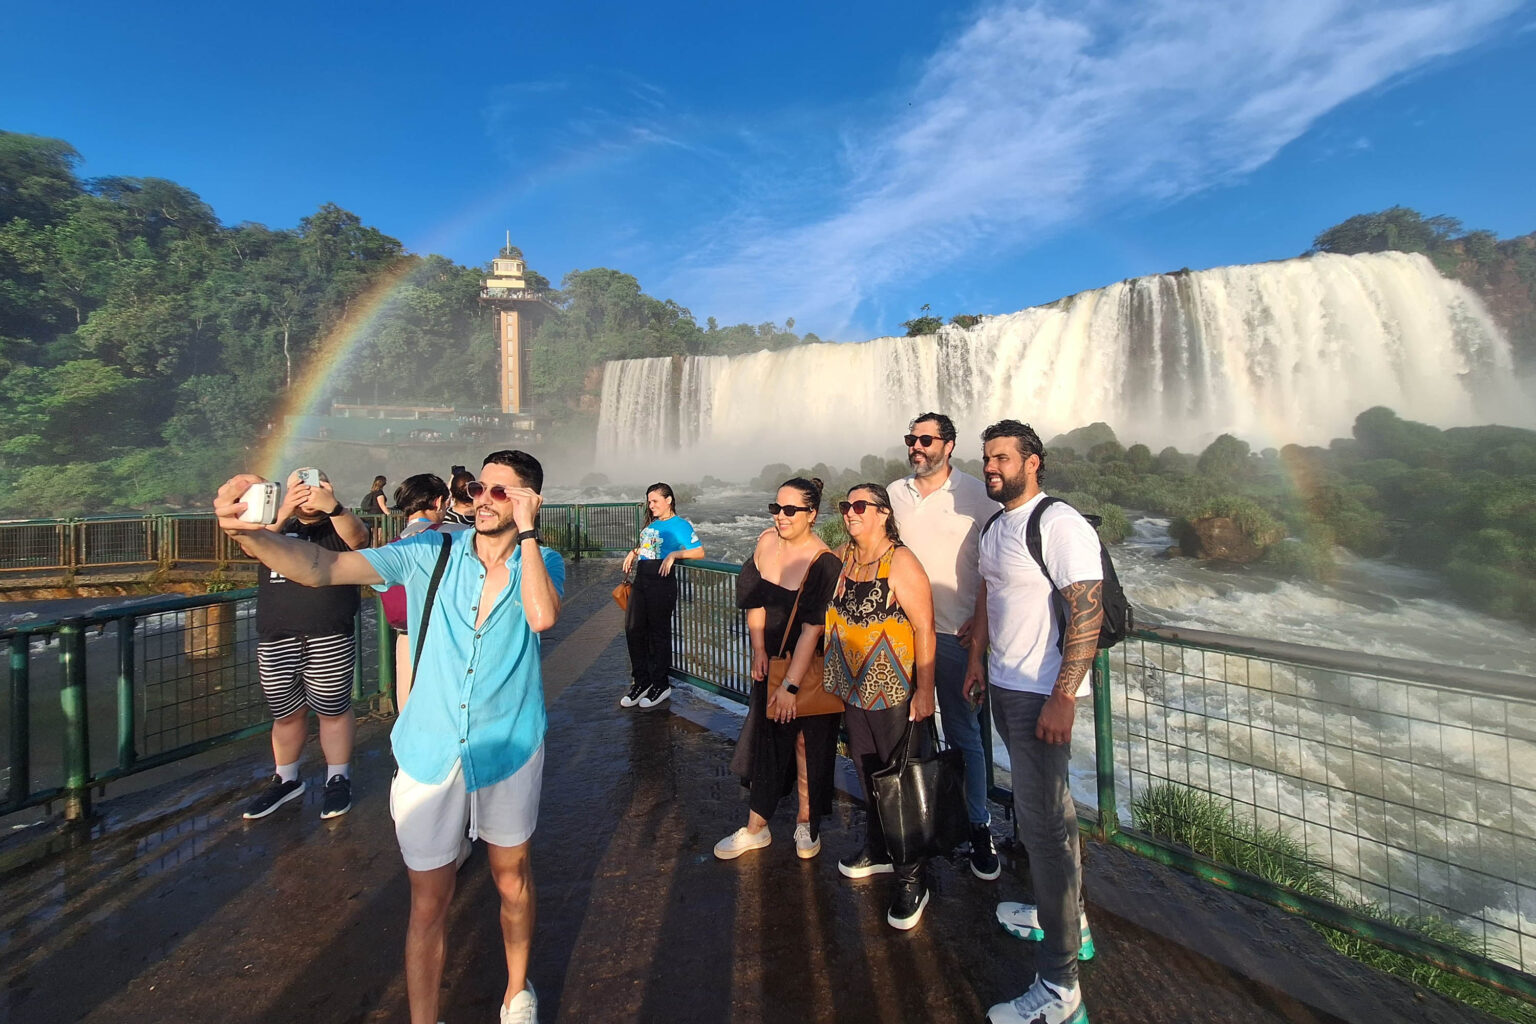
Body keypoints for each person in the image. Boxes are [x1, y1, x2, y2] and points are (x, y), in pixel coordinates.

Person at [214, 449, 564, 1024]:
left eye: (501, 491)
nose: (482, 499)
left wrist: (526, 534)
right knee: (428, 903)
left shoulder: (545, 561)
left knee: (511, 878)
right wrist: (247, 536)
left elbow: (543, 618)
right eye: (478, 487)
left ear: (530, 501)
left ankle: (516, 990)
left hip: (509, 745)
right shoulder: (430, 551)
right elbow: (322, 568)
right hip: (430, 747)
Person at [965, 421, 1102, 1024]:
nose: (991, 466)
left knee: (1044, 833)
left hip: (1042, 696)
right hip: (1004, 685)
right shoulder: (998, 526)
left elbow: (1086, 615)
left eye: (1002, 457)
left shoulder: (1060, 524)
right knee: (1050, 816)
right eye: (986, 457)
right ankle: (1067, 920)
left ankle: (1060, 988)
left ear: (1033, 462)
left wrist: (1064, 696)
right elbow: (991, 600)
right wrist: (976, 662)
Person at [887, 411, 1002, 880]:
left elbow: (995, 569)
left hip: (955, 636)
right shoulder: (896, 494)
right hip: (899, 634)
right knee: (902, 730)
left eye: (927, 440)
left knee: (964, 734)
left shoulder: (979, 496)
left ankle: (978, 825)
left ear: (949, 446)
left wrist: (981, 624)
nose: (917, 446)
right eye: (911, 439)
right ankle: (909, 821)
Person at [823, 483, 937, 931]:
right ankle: (878, 848)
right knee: (869, 774)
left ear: (883, 514)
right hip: (854, 691)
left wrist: (925, 691)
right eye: (844, 506)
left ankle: (913, 878)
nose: (849, 513)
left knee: (900, 782)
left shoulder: (900, 562)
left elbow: (926, 628)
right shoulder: (846, 557)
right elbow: (815, 565)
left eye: (858, 506)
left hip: (893, 692)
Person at [713, 478, 842, 861]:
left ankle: (807, 822)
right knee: (767, 741)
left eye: (790, 510)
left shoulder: (823, 562)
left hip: (807, 665)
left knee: (809, 745)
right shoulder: (766, 542)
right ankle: (757, 827)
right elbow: (755, 599)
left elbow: (812, 629)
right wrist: (757, 649)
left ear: (812, 514)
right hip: (768, 661)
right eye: (776, 508)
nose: (780, 516)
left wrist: (789, 686)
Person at [241, 468, 371, 821]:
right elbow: (250, 543)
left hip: (329, 633)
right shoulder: (273, 527)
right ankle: (286, 779)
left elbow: (360, 540)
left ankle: (337, 776)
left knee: (333, 709)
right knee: (285, 715)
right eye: (299, 486)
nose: (307, 493)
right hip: (276, 635)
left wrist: (334, 507)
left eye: (315, 485)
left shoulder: (338, 524)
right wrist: (283, 511)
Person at [384, 473, 471, 710]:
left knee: (410, 708)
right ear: (437, 502)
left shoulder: (394, 543)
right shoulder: (459, 533)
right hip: (449, 633)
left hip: (406, 635)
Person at [618, 483, 705, 709]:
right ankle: (642, 681)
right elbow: (650, 547)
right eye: (649, 501)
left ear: (669, 500)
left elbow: (699, 551)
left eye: (655, 501)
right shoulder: (654, 524)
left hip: (661, 582)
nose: (651, 505)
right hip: (642, 580)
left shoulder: (681, 525)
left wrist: (675, 554)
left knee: (659, 634)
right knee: (634, 630)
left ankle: (661, 684)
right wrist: (634, 551)